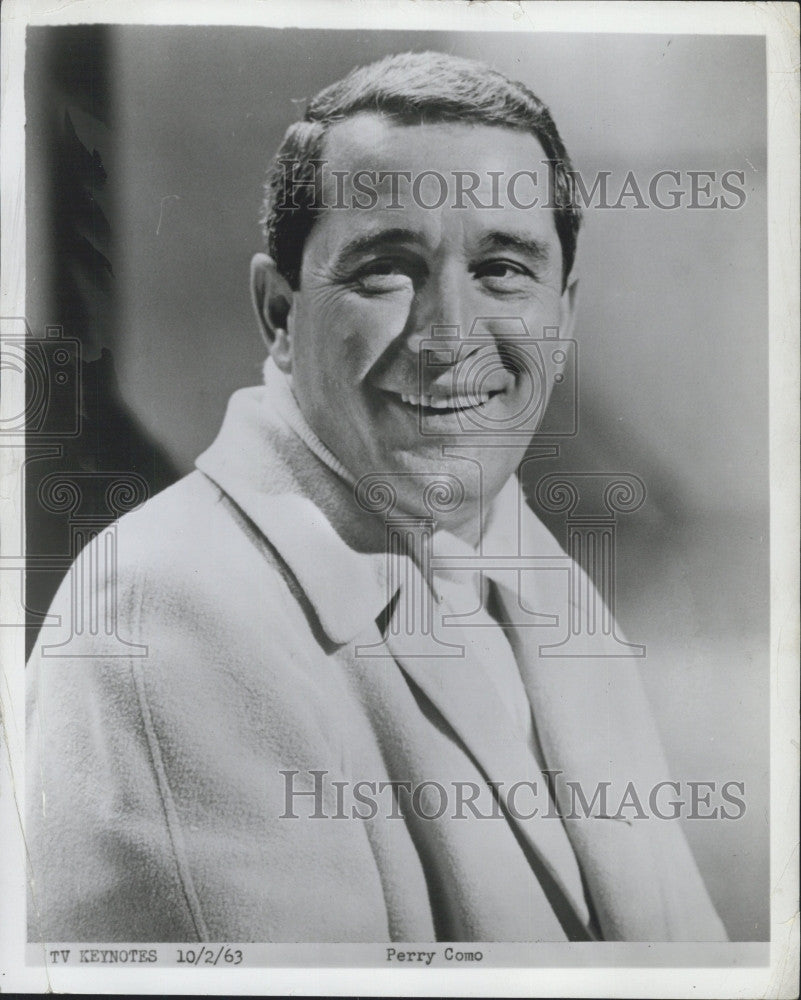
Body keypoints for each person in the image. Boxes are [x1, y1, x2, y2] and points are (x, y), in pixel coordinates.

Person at [26, 51, 726, 943]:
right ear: (278, 314)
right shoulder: (162, 613)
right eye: (385, 269)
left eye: (503, 269)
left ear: (564, 312)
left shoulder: (527, 565)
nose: (451, 337)